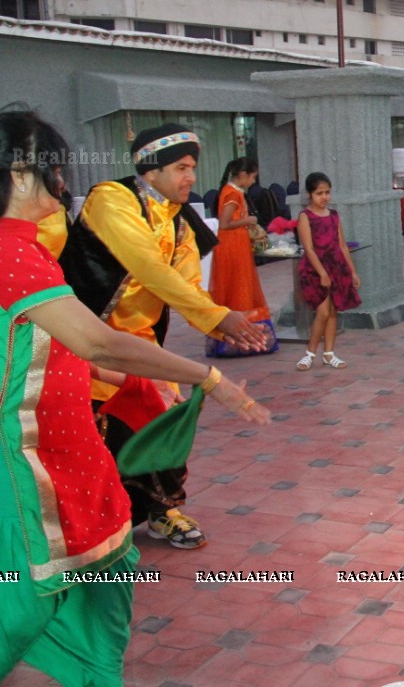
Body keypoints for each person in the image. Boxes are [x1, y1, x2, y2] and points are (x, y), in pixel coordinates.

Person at [0, 110, 268, 686]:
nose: (63, 182)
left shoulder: (33, 246)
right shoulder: (26, 245)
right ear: (21, 175)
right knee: (22, 599)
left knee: (103, 580)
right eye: (54, 168)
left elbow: (74, 348)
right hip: (26, 462)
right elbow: (97, 337)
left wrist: (142, 380)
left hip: (77, 424)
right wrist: (208, 376)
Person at [60, 122, 269, 550]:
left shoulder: (181, 224)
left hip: (140, 350)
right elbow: (149, 269)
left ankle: (162, 512)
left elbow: (188, 288)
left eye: (193, 167)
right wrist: (216, 317)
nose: (191, 177)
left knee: (161, 426)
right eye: (181, 168)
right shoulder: (112, 199)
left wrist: (220, 322)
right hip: (82, 342)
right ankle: (90, 530)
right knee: (88, 443)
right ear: (150, 171)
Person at [207, 156, 277, 357]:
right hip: (232, 247)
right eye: (252, 177)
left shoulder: (233, 192)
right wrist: (249, 220)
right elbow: (225, 223)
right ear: (243, 175)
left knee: (239, 285)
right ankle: (242, 338)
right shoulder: (232, 194)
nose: (254, 181)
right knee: (239, 287)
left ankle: (242, 337)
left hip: (236, 245)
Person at [295, 171, 362, 370]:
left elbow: (342, 245)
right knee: (322, 312)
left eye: (327, 192)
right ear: (310, 194)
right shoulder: (305, 217)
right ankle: (309, 353)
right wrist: (322, 273)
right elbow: (308, 248)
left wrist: (352, 271)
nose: (324, 197)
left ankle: (329, 354)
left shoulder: (333, 215)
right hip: (314, 269)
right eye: (319, 193)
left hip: (336, 267)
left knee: (333, 311)